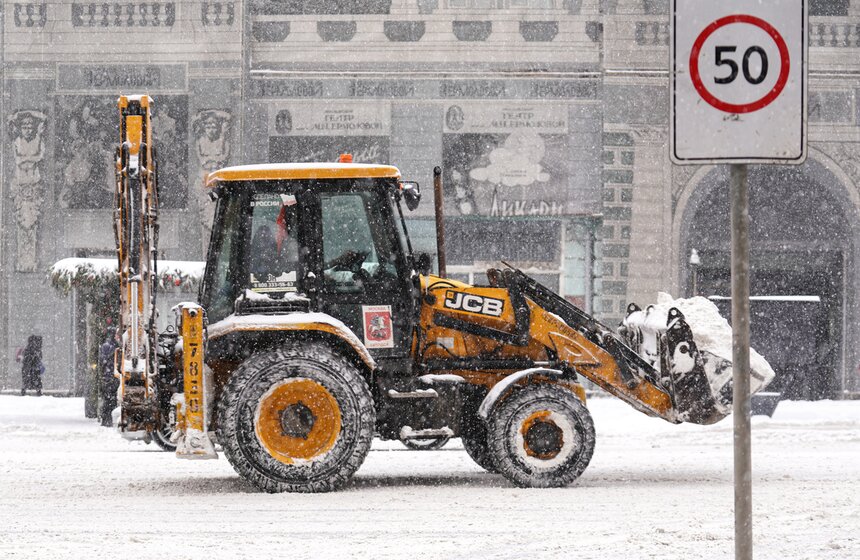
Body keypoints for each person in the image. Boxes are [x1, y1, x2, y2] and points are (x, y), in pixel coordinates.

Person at [98, 328, 121, 427]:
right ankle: (108, 420)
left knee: (108, 399)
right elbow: (105, 361)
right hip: (111, 377)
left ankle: (106, 419)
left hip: (109, 377)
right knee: (110, 399)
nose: (117, 337)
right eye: (116, 335)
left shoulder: (106, 346)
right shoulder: (112, 346)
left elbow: (102, 361)